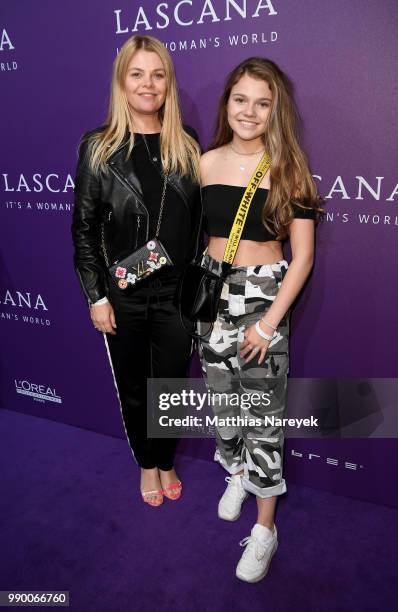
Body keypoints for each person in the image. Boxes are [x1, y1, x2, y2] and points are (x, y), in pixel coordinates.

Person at [198, 57, 321, 582]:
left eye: (262, 103)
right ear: (228, 102)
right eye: (241, 99)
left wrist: (268, 323)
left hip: (262, 296)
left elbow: (304, 258)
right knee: (225, 407)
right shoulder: (202, 163)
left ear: (276, 110)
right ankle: (238, 473)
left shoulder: (289, 167)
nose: (250, 111)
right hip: (210, 294)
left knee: (263, 419)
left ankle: (266, 529)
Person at [72, 35, 201, 507]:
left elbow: (200, 225)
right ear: (122, 83)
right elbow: (83, 229)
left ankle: (165, 458)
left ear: (168, 83)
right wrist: (96, 295)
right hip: (123, 294)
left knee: (170, 387)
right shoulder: (98, 148)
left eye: (158, 74)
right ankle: (148, 465)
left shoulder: (187, 148)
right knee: (134, 389)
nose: (148, 84)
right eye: (137, 74)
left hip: (175, 296)